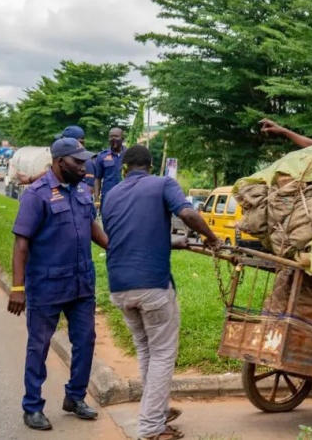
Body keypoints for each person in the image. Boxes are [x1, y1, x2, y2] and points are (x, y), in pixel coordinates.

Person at [101, 145, 221, 440]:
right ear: (151, 165)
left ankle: (157, 410)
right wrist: (212, 238)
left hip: (118, 286)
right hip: (151, 286)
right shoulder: (162, 183)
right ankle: (152, 427)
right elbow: (188, 214)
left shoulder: (112, 194)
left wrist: (172, 243)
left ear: (125, 168)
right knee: (163, 353)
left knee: (146, 350)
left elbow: (130, 235)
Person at [8, 137, 109, 431]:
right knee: (38, 346)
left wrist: (113, 246)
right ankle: (32, 407)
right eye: (78, 162)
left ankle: (75, 397)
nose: (84, 167)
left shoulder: (83, 191)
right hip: (47, 286)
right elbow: (21, 243)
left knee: (86, 340)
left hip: (81, 284)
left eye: (84, 161)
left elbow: (92, 226)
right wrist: (17, 288)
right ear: (59, 162)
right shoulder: (36, 194)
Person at [16, 125, 95, 189]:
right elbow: (50, 174)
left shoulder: (86, 163)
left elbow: (89, 189)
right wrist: (29, 180)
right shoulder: (64, 161)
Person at [93, 127, 126, 207]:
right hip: (108, 197)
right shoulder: (102, 156)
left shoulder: (130, 155)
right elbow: (97, 178)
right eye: (111, 136)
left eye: (116, 136)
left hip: (126, 196)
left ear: (122, 138)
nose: (113, 138)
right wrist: (97, 199)